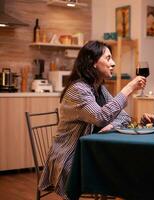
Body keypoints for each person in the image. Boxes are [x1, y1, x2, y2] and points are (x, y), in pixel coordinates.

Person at [39, 40, 146, 199]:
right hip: (70, 156)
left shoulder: (99, 88)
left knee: (128, 169)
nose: (113, 63)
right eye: (108, 58)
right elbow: (101, 118)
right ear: (93, 63)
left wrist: (110, 124)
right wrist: (128, 88)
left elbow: (123, 117)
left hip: (90, 152)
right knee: (122, 172)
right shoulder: (78, 90)